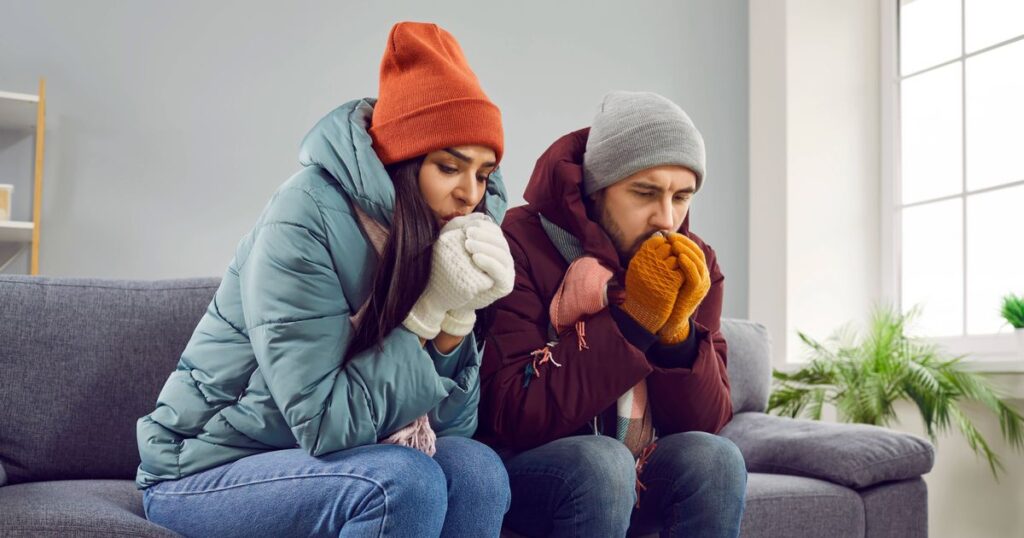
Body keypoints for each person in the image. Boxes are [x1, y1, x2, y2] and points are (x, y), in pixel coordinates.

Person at [137, 21, 514, 538]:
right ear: (402, 161)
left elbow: (449, 429)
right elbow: (323, 424)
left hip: (334, 460)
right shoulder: (305, 218)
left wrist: (457, 315)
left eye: (484, 173)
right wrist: (426, 314)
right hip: (206, 469)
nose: (470, 193)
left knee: (477, 472)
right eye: (450, 168)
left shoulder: (443, 243)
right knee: (404, 482)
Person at [478, 91, 747, 537]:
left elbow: (706, 423)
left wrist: (676, 335)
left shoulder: (695, 263)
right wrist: (634, 319)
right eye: (645, 193)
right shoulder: (518, 242)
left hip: (636, 469)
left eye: (682, 197)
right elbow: (510, 411)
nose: (667, 218)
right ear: (595, 189)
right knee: (603, 463)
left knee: (715, 458)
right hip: (534, 468)